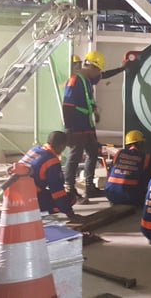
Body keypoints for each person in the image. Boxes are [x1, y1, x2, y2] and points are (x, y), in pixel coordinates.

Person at [62, 50, 105, 199]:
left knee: (93, 152)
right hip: (76, 126)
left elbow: (88, 99)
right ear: (92, 67)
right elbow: (67, 105)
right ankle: (69, 188)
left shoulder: (87, 81)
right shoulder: (75, 80)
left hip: (87, 125)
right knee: (75, 156)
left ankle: (89, 186)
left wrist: (95, 111)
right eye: (98, 70)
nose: (98, 74)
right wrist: (68, 128)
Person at [18, 131, 84, 221]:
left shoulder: (35, 149)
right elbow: (57, 190)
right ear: (61, 146)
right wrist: (70, 213)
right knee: (71, 198)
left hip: (15, 195)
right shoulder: (52, 161)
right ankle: (35, 211)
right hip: (29, 199)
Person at [105, 130, 151, 206]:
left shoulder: (119, 153)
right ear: (140, 143)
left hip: (110, 194)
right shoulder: (146, 157)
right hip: (131, 197)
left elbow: (110, 172)